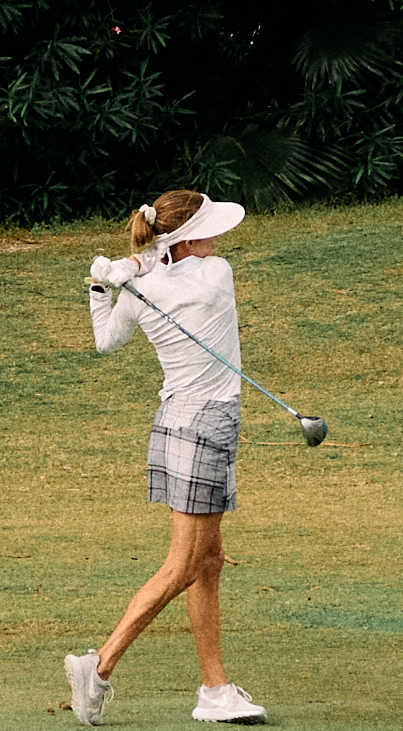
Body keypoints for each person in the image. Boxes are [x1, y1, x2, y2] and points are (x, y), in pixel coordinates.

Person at [65, 190, 267, 726]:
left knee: (208, 562)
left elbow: (106, 340)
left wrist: (101, 283)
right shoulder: (215, 273)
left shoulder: (141, 289)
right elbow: (168, 263)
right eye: (210, 229)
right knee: (184, 564)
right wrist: (132, 266)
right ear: (190, 237)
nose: (219, 239)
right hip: (208, 426)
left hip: (173, 425)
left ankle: (215, 688)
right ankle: (99, 665)